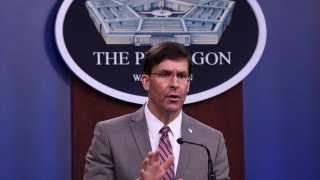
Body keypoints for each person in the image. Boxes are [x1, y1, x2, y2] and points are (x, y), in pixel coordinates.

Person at [83, 42, 230, 180]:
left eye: (182, 76)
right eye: (164, 75)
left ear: (188, 85)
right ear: (146, 81)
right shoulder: (110, 134)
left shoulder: (211, 140)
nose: (175, 84)